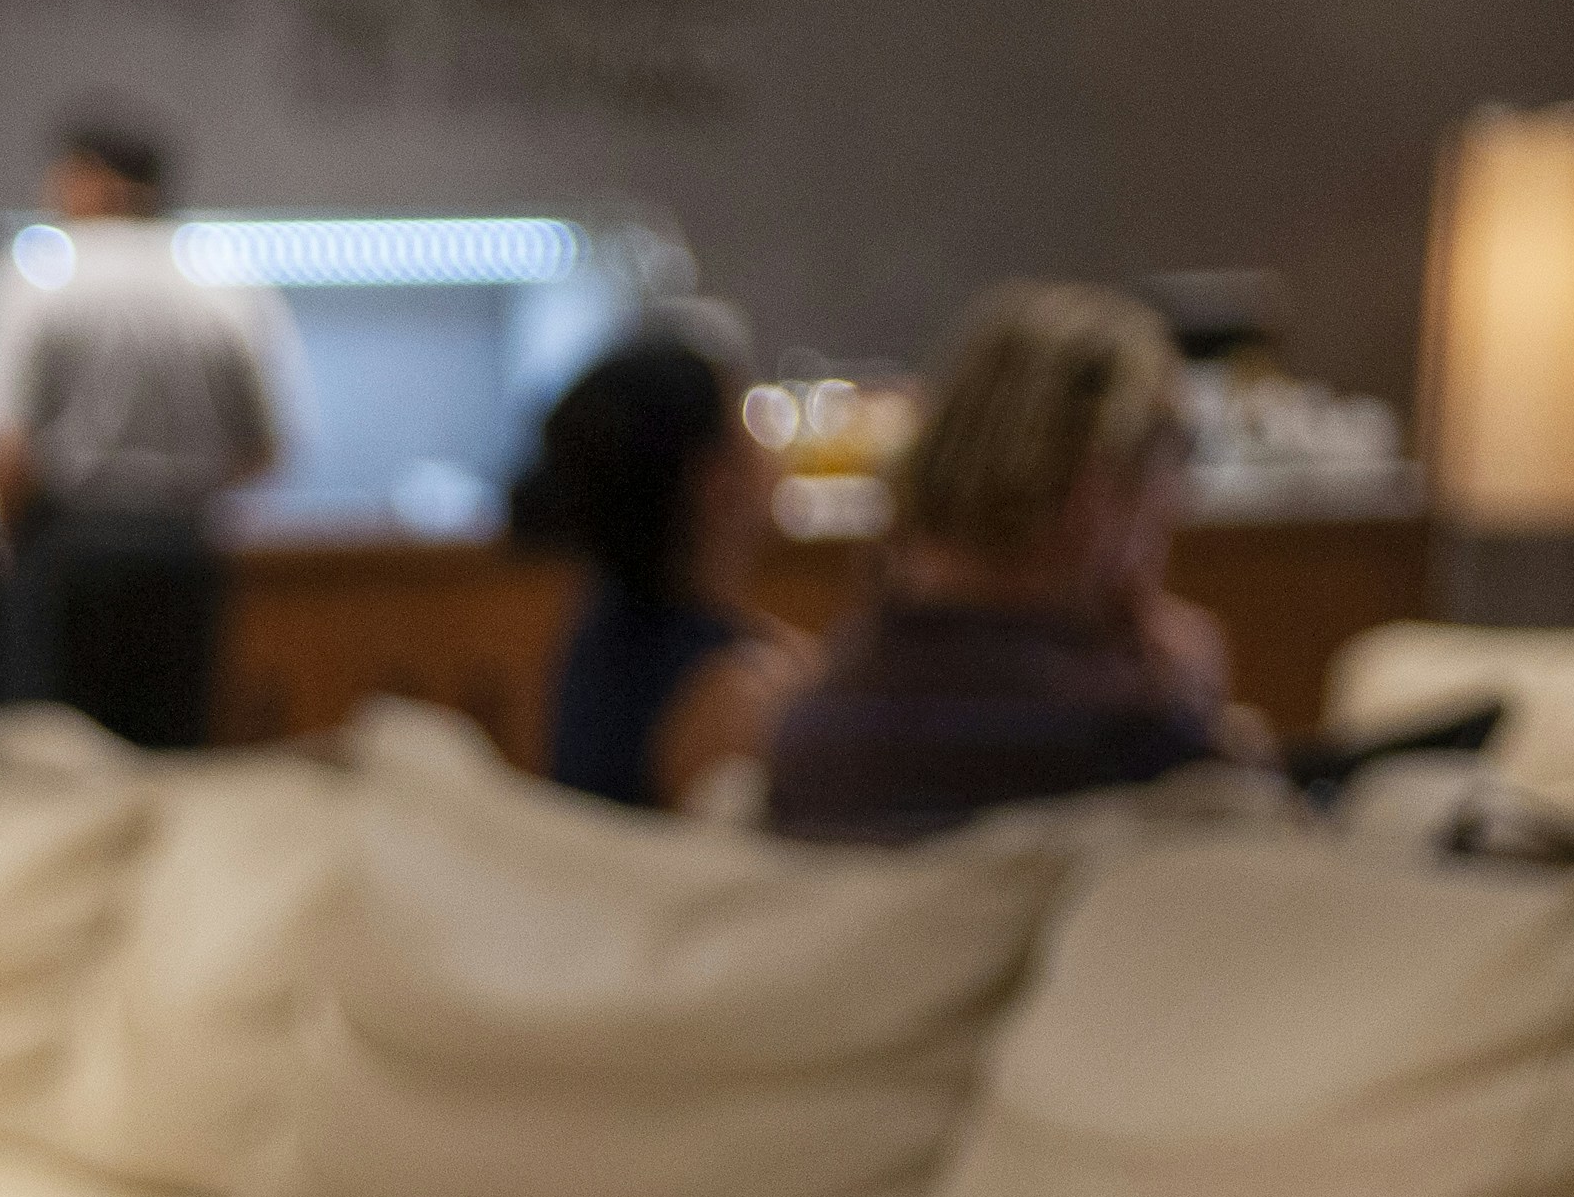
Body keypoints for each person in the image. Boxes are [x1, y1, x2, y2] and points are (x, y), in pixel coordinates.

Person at [767, 282, 1257, 840]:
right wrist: (1195, 715)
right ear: (1095, 499)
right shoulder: (1142, 761)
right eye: (1168, 473)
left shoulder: (808, 743)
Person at [0, 114, 300, 747]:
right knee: (175, 756)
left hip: (65, 556)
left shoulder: (39, 276)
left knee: (52, 755)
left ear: (88, 181)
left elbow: (7, 448)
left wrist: (3, 542)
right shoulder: (225, 287)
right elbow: (265, 450)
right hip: (183, 554)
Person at [509, 334, 819, 813]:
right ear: (714, 480)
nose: (770, 447)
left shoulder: (592, 637)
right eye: (747, 424)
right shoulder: (736, 697)